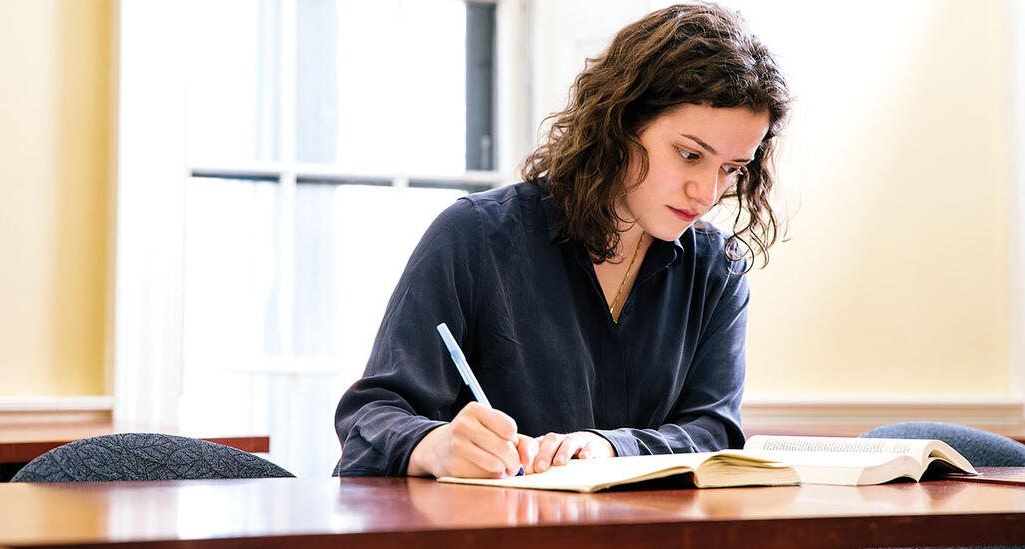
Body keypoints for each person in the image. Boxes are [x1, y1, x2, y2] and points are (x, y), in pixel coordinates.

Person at [334, 2, 790, 478]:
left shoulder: (717, 272)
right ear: (621, 122)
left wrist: (611, 447)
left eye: (731, 169)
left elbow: (713, 431)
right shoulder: (474, 238)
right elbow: (370, 415)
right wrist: (433, 445)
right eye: (690, 154)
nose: (708, 192)